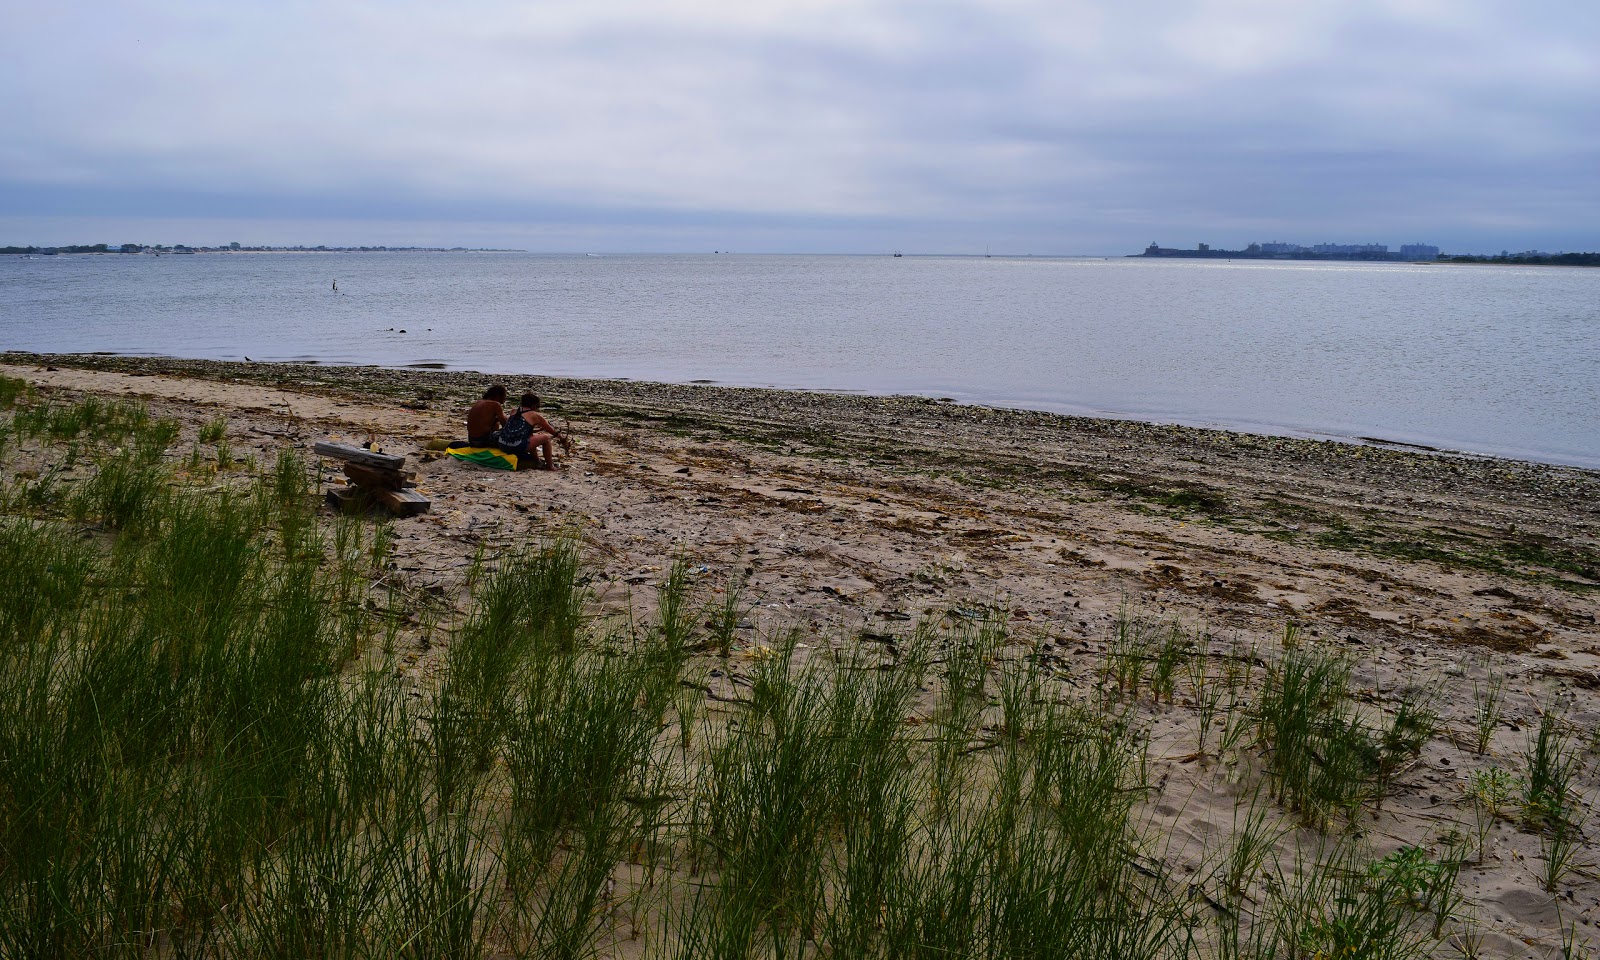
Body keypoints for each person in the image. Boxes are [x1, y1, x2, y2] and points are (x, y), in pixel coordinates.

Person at [498, 392, 567, 469]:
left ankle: (536, 460)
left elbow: (514, 429)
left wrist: (535, 430)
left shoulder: (514, 411)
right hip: (516, 445)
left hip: (502, 444)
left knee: (530, 436)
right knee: (546, 438)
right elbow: (552, 431)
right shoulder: (534, 415)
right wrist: (562, 439)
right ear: (534, 405)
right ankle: (550, 466)